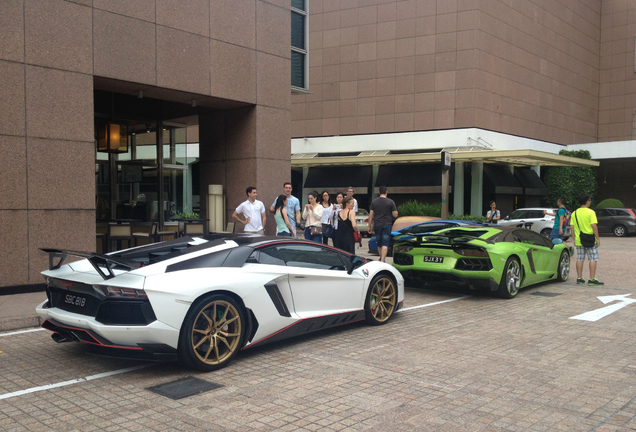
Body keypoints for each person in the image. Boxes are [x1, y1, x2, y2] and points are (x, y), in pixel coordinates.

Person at [571, 193, 603, 286]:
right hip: (589, 239)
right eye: (590, 200)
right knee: (593, 258)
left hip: (579, 240)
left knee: (580, 258)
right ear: (587, 201)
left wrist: (574, 239)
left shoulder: (575, 213)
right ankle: (592, 279)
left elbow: (572, 227)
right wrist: (598, 238)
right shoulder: (591, 212)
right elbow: (594, 226)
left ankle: (579, 278)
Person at [368, 186, 398, 262]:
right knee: (385, 242)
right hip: (387, 224)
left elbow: (371, 215)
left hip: (377, 224)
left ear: (379, 192)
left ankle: (381, 258)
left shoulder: (374, 202)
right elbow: (395, 214)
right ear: (386, 192)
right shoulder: (391, 202)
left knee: (379, 243)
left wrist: (369, 226)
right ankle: (382, 260)